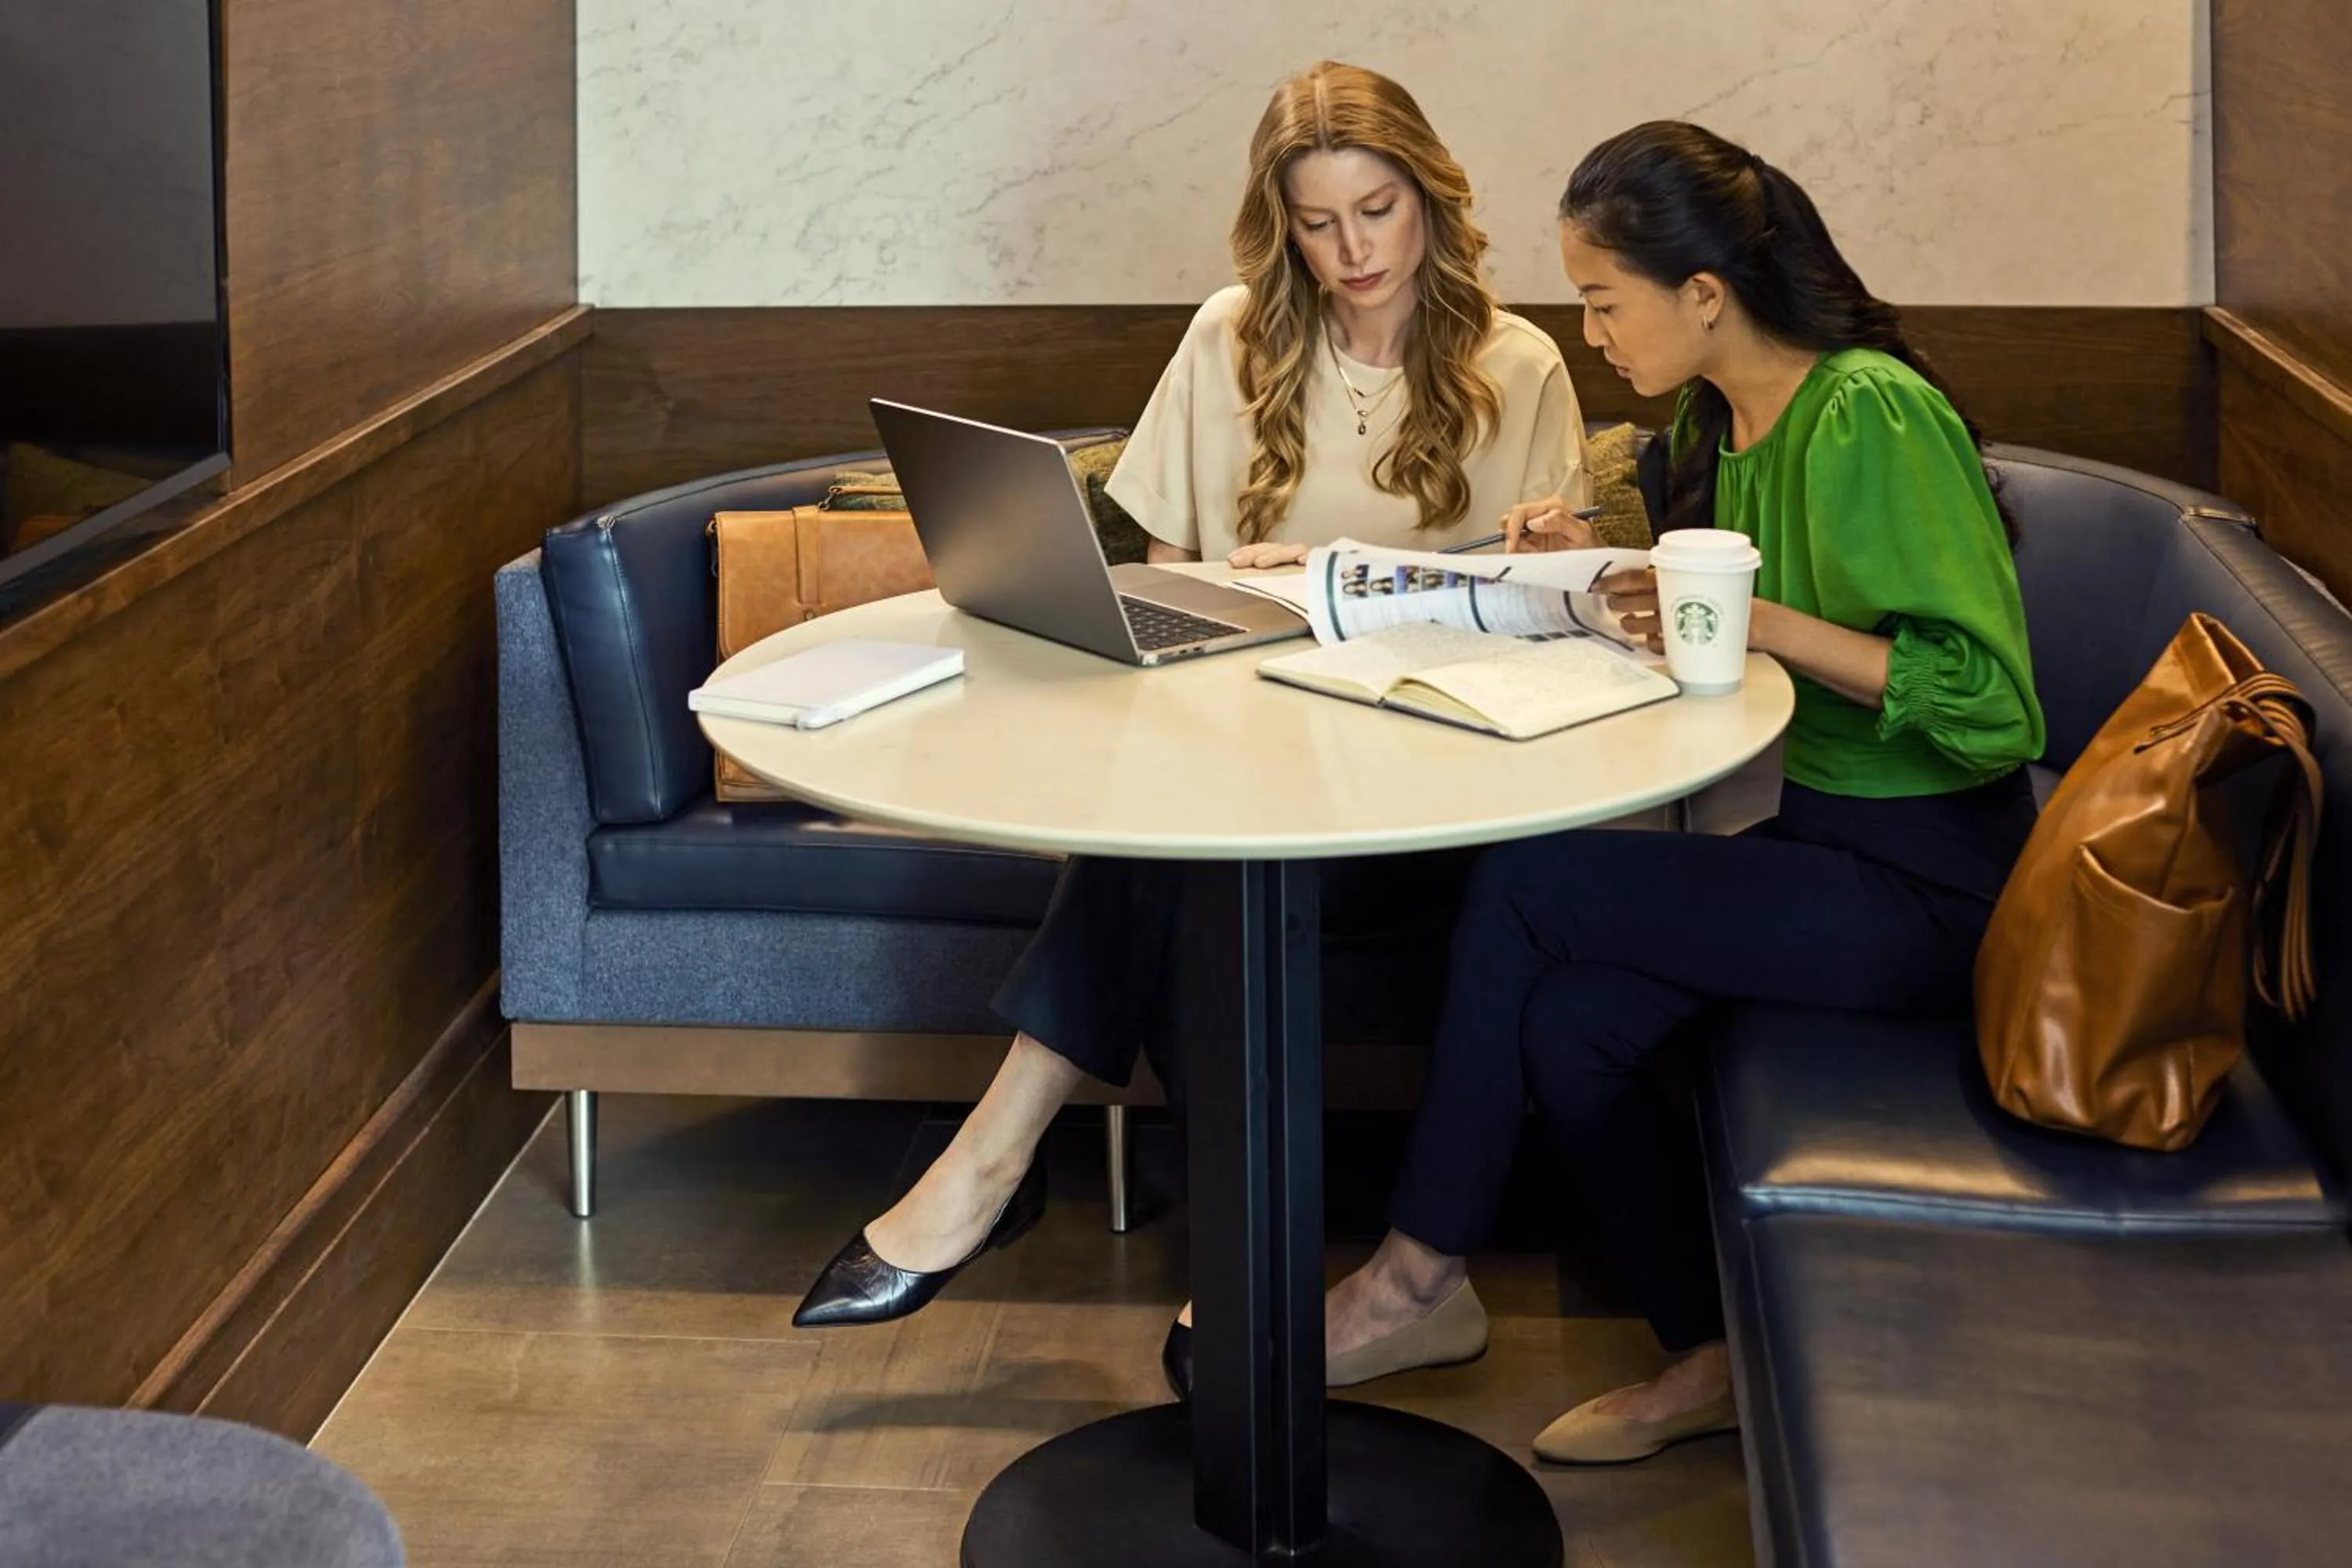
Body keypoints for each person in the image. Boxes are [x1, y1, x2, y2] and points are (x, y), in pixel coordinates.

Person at [791, 63, 1592, 1360]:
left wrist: (1391, 577)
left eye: (1378, 211)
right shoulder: (1233, 336)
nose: (1353, 252)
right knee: (1185, 847)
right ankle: (1222, 1268)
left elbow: (1547, 606)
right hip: (1235, 758)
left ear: (1432, 198)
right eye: (1319, 223)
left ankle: (991, 1169)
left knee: (1167, 863)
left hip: (1420, 798)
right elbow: (1165, 574)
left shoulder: (1522, 364)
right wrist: (1192, 596)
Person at [1316, 119, 2046, 1464]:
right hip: (1820, 846)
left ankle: (1412, 1283)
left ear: (1702, 293)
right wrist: (1601, 549)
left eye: (1603, 301)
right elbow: (1717, 579)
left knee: (1534, 881)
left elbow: (1993, 714)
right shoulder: (1723, 418)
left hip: (1936, 880)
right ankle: (1708, 1355)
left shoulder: (1870, 410)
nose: (1591, 334)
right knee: (1577, 1030)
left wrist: (1753, 620)